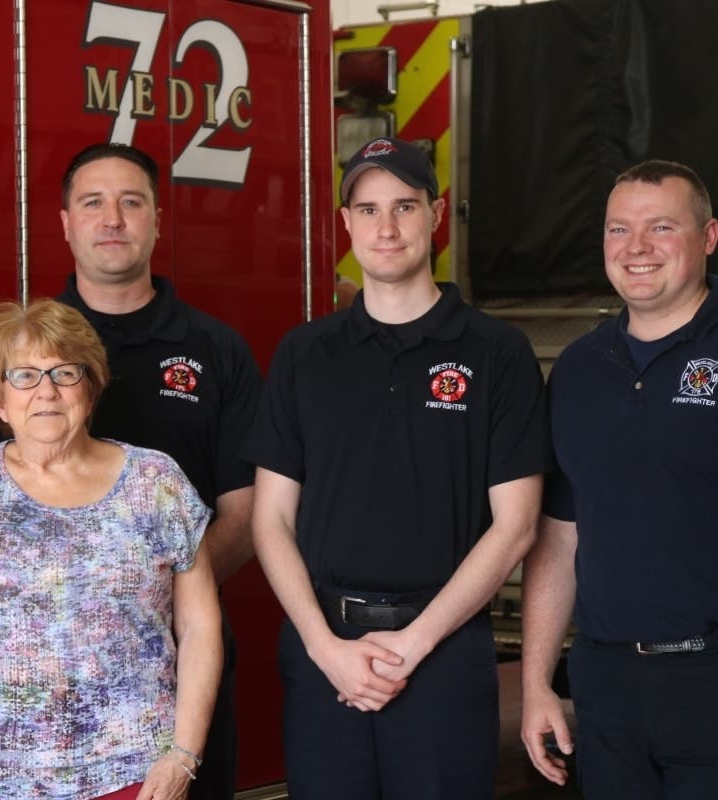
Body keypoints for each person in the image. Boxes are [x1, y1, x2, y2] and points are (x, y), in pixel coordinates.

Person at [244, 136, 548, 799]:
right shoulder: (303, 355)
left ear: (435, 214)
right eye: (368, 209)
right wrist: (325, 648)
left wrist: (411, 645)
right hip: (322, 652)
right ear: (345, 223)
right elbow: (269, 519)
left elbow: (516, 526)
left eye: (404, 207)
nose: (385, 228)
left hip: (443, 656)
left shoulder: (497, 353)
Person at [0, 143, 260, 799]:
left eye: (131, 201)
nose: (112, 218)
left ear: (156, 219)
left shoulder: (217, 350)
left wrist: (158, 602)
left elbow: (248, 509)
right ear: (65, 222)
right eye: (93, 202)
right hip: (35, 712)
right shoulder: (22, 351)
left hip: (181, 666)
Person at [0, 298, 222, 800]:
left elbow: (201, 625)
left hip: (134, 774)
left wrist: (183, 755)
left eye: (65, 373)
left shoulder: (156, 481)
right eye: (24, 376)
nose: (47, 392)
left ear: (91, 387)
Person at [521, 159, 718, 797]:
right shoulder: (578, 369)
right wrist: (535, 684)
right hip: (605, 684)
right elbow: (559, 536)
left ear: (709, 237)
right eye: (617, 229)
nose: (636, 248)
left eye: (661, 227)